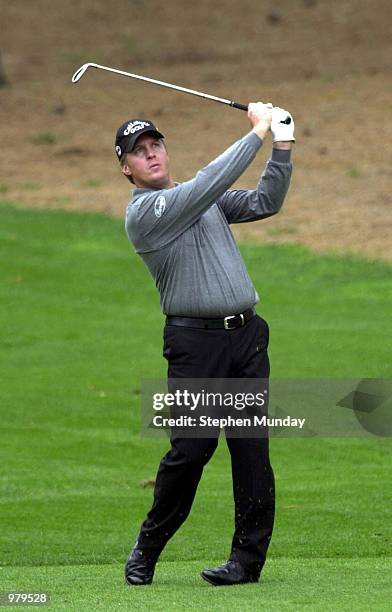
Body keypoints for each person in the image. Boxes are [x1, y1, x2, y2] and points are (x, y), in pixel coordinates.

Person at [115, 103, 294, 586]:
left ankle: (246, 562)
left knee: (251, 451)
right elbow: (209, 184)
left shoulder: (201, 198)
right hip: (196, 345)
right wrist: (257, 130)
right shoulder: (146, 213)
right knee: (191, 451)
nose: (151, 156)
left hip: (248, 340)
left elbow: (264, 202)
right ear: (126, 168)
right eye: (139, 153)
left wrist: (282, 144)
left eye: (156, 146)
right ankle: (148, 546)